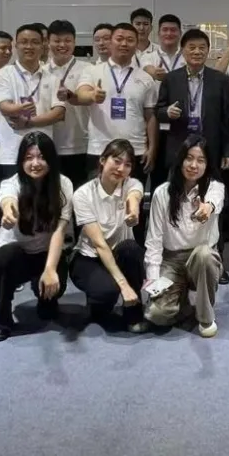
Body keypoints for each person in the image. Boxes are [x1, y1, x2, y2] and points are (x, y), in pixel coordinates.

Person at [156, 28, 229, 279]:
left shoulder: (220, 80)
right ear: (183, 51)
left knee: (213, 203)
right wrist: (166, 112)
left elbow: (228, 119)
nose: (197, 51)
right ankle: (174, 259)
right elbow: (158, 111)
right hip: (180, 152)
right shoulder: (171, 79)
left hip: (210, 151)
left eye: (202, 47)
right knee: (176, 203)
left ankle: (216, 260)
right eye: (192, 47)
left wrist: (228, 150)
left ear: (208, 51)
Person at [0, 132, 73, 342]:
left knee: (51, 300)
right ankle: (2, 317)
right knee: (5, 256)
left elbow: (59, 231)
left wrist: (50, 270)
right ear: (21, 161)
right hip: (17, 255)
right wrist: (8, 210)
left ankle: (46, 299)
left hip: (47, 253)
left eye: (41, 157)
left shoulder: (64, 185)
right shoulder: (11, 183)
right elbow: (7, 200)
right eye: (29, 158)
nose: (35, 163)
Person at [143, 136, 225, 338]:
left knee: (204, 255)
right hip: (171, 261)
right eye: (189, 158)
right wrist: (154, 282)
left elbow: (214, 202)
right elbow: (154, 241)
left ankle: (205, 317)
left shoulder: (215, 188)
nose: (193, 165)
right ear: (180, 160)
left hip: (200, 259)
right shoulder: (162, 193)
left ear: (207, 165)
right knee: (156, 315)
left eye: (200, 160)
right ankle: (183, 304)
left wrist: (207, 207)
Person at [69, 138, 147, 332]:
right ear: (103, 160)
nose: (121, 169)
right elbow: (99, 244)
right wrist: (123, 285)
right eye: (116, 161)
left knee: (131, 249)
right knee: (106, 292)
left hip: (119, 253)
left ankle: (133, 311)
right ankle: (98, 303)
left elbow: (135, 195)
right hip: (90, 257)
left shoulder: (131, 184)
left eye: (127, 165)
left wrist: (133, 209)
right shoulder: (83, 195)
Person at [75, 22, 158, 184]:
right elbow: (80, 94)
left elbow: (151, 116)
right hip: (100, 149)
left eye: (130, 40)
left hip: (136, 150)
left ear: (136, 45)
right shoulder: (93, 71)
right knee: (98, 198)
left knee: (132, 197)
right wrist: (92, 95)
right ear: (110, 42)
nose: (124, 43)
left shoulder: (146, 78)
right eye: (119, 39)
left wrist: (152, 148)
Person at [0, 24, 65, 181]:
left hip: (43, 155)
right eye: (24, 42)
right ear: (16, 45)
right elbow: (5, 107)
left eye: (35, 42)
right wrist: (19, 108)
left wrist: (28, 122)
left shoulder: (53, 78)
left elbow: (59, 113)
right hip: (11, 154)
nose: (29, 46)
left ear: (43, 45)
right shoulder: (4, 74)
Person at [46, 20, 89, 189]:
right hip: (49, 144)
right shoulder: (42, 71)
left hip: (80, 144)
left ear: (74, 42)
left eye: (67, 40)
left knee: (79, 194)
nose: (62, 45)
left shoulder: (88, 69)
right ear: (48, 42)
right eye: (57, 41)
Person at [139, 13, 184, 81]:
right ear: (158, 33)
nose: (169, 33)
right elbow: (147, 68)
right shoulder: (148, 57)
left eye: (173, 30)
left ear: (180, 33)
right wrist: (155, 73)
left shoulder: (188, 57)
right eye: (165, 30)